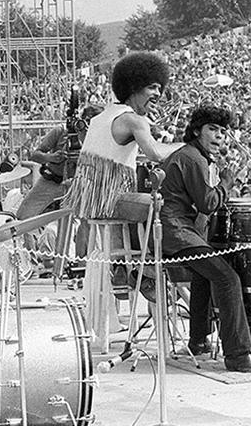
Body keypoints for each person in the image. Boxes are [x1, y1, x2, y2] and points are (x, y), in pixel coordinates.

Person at [62, 51, 183, 340]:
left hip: (91, 201)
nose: (158, 94)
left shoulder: (102, 116)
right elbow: (155, 154)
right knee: (160, 204)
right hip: (112, 200)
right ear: (134, 86)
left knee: (147, 203)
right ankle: (149, 271)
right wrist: (186, 147)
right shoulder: (133, 120)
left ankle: (128, 268)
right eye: (153, 87)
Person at [159, 104, 251, 374]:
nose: (219, 136)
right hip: (177, 233)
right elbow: (208, 203)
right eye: (212, 129)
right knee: (227, 277)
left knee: (204, 274)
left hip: (177, 232)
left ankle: (198, 340)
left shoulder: (191, 156)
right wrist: (226, 183)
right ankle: (238, 354)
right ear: (197, 130)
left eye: (222, 131)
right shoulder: (192, 158)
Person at [16, 104, 103, 274]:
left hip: (79, 183)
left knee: (86, 221)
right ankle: (29, 265)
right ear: (82, 122)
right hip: (51, 180)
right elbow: (34, 155)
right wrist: (52, 157)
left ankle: (80, 265)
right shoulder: (60, 131)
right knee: (22, 219)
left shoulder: (100, 137)